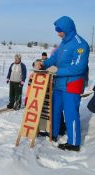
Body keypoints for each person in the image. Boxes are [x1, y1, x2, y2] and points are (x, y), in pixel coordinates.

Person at [35, 16, 90, 151]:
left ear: (67, 29)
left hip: (72, 84)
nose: (58, 34)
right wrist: (44, 64)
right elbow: (54, 58)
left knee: (71, 113)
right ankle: (53, 133)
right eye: (57, 31)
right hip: (59, 83)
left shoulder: (80, 45)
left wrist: (57, 71)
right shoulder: (64, 43)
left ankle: (74, 143)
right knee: (54, 109)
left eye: (59, 31)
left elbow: (78, 68)